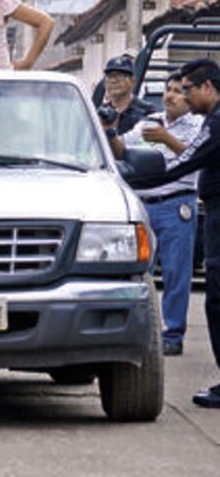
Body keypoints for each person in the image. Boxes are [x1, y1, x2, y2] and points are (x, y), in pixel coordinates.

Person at [127, 59, 220, 408]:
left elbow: (182, 164)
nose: (184, 96)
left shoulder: (214, 123)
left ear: (207, 87)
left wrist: (130, 178)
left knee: (216, 298)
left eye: (188, 90)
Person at [105, 72, 202, 356]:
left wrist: (166, 139)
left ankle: (172, 333)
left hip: (176, 205)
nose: (170, 95)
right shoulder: (150, 122)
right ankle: (136, 332)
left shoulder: (198, 124)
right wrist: (110, 131)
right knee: (136, 273)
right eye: (168, 90)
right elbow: (121, 151)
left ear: (189, 96)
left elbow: (196, 157)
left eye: (178, 91)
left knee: (175, 274)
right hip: (143, 204)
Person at [99, 55, 155, 136]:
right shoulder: (99, 113)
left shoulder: (146, 111)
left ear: (133, 81)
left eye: (119, 76)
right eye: (110, 77)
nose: (114, 81)